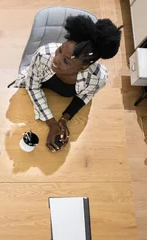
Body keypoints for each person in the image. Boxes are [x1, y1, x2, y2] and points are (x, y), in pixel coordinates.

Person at [15, 15, 122, 152]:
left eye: (66, 61)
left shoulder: (97, 79)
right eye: (60, 50)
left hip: (56, 103)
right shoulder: (44, 55)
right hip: (29, 93)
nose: (56, 59)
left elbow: (86, 96)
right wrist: (52, 123)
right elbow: (32, 85)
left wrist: (65, 119)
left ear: (83, 67)